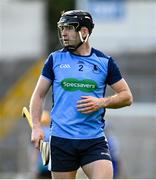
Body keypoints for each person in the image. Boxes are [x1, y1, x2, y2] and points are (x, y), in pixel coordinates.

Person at [29, 10, 133, 179]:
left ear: (84, 32)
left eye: (69, 28)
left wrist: (102, 102)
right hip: (61, 141)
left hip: (93, 140)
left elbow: (127, 96)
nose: (64, 33)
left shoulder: (105, 62)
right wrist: (36, 127)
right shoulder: (55, 59)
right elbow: (38, 95)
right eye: (62, 28)